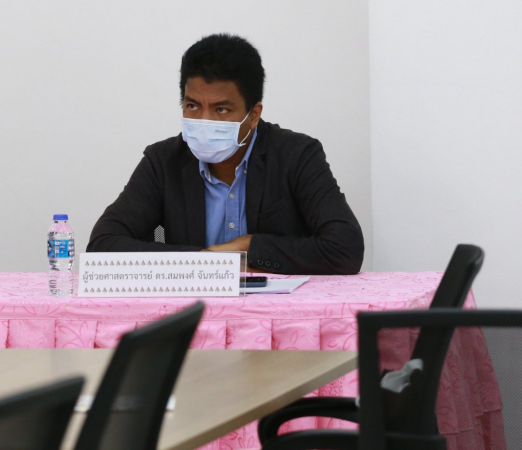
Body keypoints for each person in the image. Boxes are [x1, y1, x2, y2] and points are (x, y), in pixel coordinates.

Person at [89, 34, 363, 275]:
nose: (204, 121)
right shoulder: (163, 162)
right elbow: (103, 245)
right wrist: (206, 262)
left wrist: (249, 246)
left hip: (277, 310)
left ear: (253, 115)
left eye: (221, 110)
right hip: (192, 310)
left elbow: (345, 248)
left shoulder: (296, 155)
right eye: (193, 106)